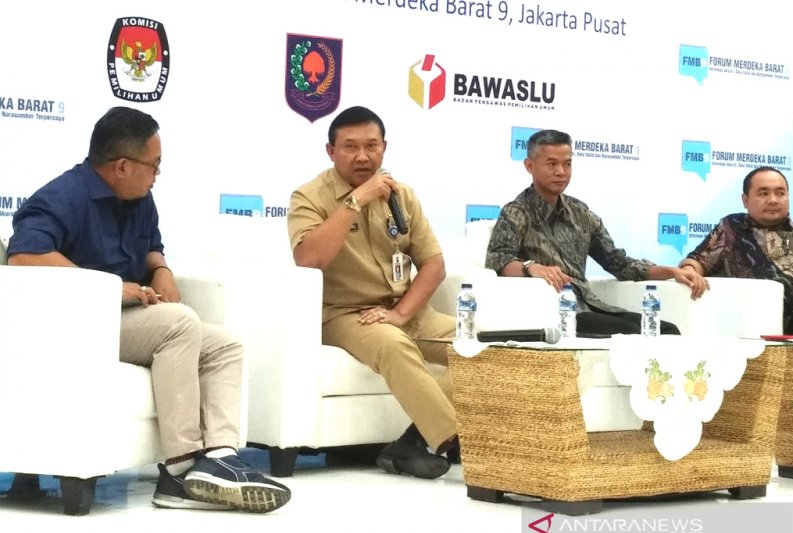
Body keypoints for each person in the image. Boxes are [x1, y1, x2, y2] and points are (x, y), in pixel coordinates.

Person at [6, 106, 291, 513]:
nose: (157, 173)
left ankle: (219, 460)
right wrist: (110, 288)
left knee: (224, 344)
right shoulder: (62, 197)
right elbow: (24, 256)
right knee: (179, 324)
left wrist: (161, 270)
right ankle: (180, 472)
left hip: (125, 317)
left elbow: (151, 246)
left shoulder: (139, 198)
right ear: (123, 166)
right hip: (77, 325)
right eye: (154, 165)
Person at [288, 105, 457, 479]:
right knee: (394, 345)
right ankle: (456, 439)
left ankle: (411, 443)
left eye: (371, 146)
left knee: (479, 351)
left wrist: (400, 314)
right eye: (350, 147)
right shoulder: (309, 196)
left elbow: (434, 265)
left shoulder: (402, 195)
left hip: (404, 310)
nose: (362, 156)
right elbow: (309, 259)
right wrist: (355, 200)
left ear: (384, 148)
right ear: (331, 151)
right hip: (344, 314)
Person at [485, 129, 707, 335]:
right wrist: (531, 267)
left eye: (567, 164)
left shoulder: (580, 212)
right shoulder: (516, 212)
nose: (561, 172)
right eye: (551, 164)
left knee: (667, 330)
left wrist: (671, 271)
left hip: (590, 307)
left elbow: (619, 263)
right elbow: (499, 261)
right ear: (529, 166)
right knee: (635, 334)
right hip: (554, 313)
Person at [680, 166, 793, 332]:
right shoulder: (733, 229)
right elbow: (698, 261)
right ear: (745, 200)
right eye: (763, 193)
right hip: (759, 325)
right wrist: (688, 270)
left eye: (780, 193)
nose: (773, 200)